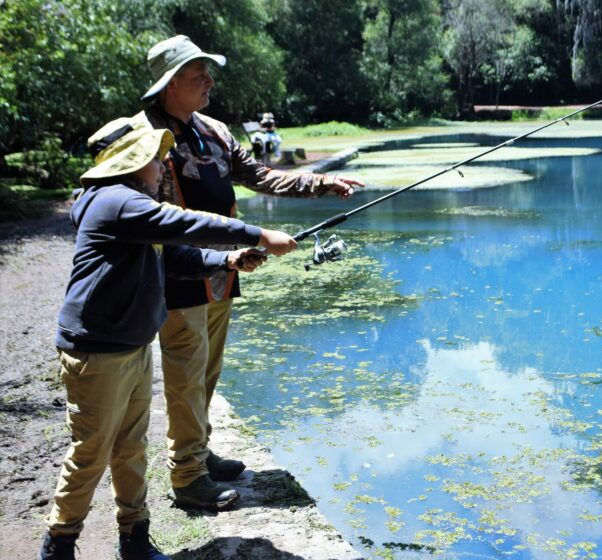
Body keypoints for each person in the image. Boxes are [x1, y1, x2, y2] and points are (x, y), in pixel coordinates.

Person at [39, 118, 297, 560]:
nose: (163, 165)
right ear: (133, 161)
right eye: (156, 158)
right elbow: (183, 224)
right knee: (91, 453)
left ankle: (134, 537)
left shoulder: (132, 206)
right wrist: (258, 234)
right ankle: (59, 545)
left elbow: (171, 255)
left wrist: (227, 259)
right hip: (97, 351)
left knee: (131, 447)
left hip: (132, 344)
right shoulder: (115, 202)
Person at [132, 35, 364, 511]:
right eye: (199, 76)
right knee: (185, 378)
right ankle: (189, 477)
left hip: (223, 273)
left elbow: (260, 175)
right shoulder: (145, 136)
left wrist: (321, 183)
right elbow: (148, 216)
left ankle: (200, 452)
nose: (209, 83)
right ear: (171, 83)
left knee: (207, 374)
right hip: (178, 279)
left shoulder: (212, 129)